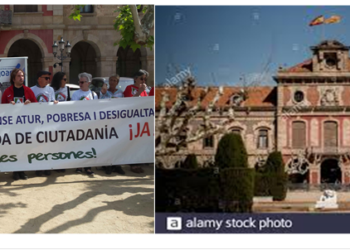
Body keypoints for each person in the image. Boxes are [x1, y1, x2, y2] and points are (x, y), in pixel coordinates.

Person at [1, 68, 38, 180]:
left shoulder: (28, 91)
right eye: (18, 76)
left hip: (25, 125)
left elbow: (37, 106)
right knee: (14, 148)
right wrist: (9, 106)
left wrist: (30, 103)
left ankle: (22, 171)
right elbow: (2, 108)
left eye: (22, 75)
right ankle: (15, 171)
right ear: (13, 78)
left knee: (24, 148)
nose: (21, 78)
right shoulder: (7, 92)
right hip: (12, 126)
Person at [31, 70, 58, 177]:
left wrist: (55, 103)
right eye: (46, 78)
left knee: (47, 145)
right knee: (37, 146)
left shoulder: (50, 89)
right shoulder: (32, 89)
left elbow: (52, 101)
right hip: (36, 123)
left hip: (48, 122)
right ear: (39, 79)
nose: (48, 80)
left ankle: (46, 166)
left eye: (49, 78)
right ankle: (38, 167)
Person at [123, 69, 150, 173]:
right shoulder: (129, 88)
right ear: (135, 79)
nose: (143, 81)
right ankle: (133, 164)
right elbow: (129, 102)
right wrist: (139, 91)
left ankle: (138, 161)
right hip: (131, 119)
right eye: (141, 78)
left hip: (141, 120)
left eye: (145, 79)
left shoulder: (144, 91)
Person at [71, 72, 97, 176]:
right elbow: (74, 108)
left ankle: (88, 166)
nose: (80, 84)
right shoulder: (76, 94)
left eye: (82, 82)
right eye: (79, 82)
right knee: (79, 144)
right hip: (79, 123)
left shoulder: (93, 95)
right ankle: (79, 165)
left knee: (89, 145)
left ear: (88, 83)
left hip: (90, 124)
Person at [100, 75, 125, 175]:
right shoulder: (104, 92)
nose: (113, 82)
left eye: (115, 80)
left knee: (117, 143)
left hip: (117, 121)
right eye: (111, 80)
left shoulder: (120, 93)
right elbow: (100, 102)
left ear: (117, 82)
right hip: (106, 121)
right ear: (109, 81)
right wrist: (103, 93)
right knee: (107, 143)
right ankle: (107, 165)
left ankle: (117, 165)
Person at [50, 71, 70, 173]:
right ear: (59, 80)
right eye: (64, 79)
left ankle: (62, 163)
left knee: (63, 142)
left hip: (64, 119)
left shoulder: (67, 89)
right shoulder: (51, 89)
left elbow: (69, 102)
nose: (66, 82)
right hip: (53, 120)